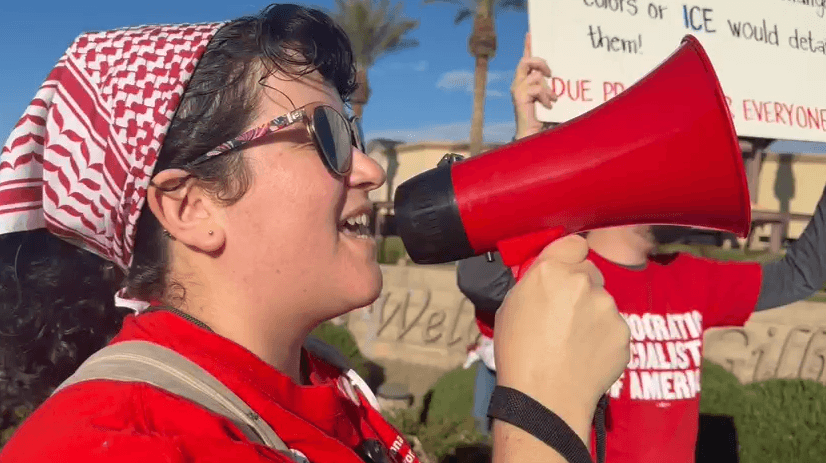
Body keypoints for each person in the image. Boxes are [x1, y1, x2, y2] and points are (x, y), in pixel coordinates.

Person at [0, 5, 630, 462]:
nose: (371, 169)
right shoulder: (105, 444)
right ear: (189, 206)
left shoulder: (325, 385)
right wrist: (540, 418)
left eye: (353, 136)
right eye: (326, 135)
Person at [458, 33, 826, 463]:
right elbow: (479, 275)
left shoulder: (692, 276)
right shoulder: (562, 273)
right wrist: (528, 140)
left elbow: (800, 276)